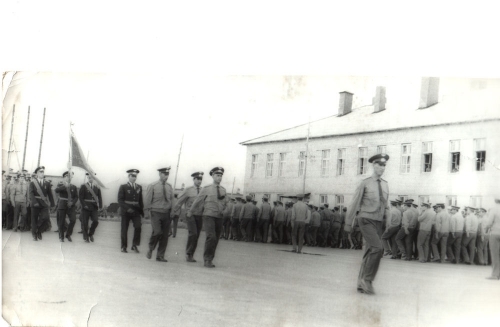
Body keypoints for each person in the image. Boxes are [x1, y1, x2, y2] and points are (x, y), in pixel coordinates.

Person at [344, 153, 390, 295]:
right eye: (379, 165)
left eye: (384, 165)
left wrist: (388, 220)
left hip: (378, 221)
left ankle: (360, 282)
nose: (382, 168)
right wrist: (348, 223)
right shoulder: (365, 183)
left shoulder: (385, 184)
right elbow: (354, 203)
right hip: (365, 219)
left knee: (370, 250)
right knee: (378, 248)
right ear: (373, 165)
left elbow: (386, 205)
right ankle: (367, 280)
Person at [187, 167, 229, 268]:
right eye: (217, 175)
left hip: (219, 217)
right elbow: (197, 201)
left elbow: (226, 203)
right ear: (213, 176)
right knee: (211, 237)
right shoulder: (206, 188)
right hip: (208, 216)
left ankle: (210, 258)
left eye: (221, 176)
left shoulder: (223, 190)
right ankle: (207, 259)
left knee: (216, 238)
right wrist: (190, 211)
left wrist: (226, 211)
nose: (219, 178)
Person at [173, 171, 204, 262]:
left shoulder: (203, 190)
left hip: (199, 215)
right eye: (197, 179)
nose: (199, 181)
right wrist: (174, 211)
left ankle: (191, 254)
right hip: (190, 214)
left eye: (201, 179)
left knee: (197, 235)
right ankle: (188, 253)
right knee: (193, 233)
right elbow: (180, 201)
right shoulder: (188, 190)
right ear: (193, 179)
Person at [145, 167, 173, 262]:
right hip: (155, 212)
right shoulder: (153, 185)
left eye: (167, 174)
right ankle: (150, 248)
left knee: (165, 235)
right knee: (157, 232)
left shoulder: (169, 186)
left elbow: (172, 200)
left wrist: (172, 212)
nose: (166, 176)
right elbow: (148, 199)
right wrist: (146, 212)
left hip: (166, 213)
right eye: (164, 174)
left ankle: (160, 256)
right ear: (160, 174)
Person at [118, 169, 144, 253]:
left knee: (138, 227)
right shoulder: (123, 187)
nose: (134, 178)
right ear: (128, 176)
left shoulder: (139, 187)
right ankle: (123, 246)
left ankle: (135, 245)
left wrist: (142, 211)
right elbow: (120, 200)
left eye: (135, 176)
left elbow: (140, 200)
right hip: (126, 211)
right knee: (124, 229)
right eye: (132, 176)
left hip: (136, 211)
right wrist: (127, 208)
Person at [29, 166, 55, 241]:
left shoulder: (47, 183)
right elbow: (30, 194)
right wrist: (34, 202)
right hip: (35, 203)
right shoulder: (32, 183)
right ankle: (34, 235)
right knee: (34, 219)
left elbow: (50, 195)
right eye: (40, 171)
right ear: (37, 173)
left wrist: (52, 204)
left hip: (44, 204)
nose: (42, 173)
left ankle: (39, 230)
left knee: (46, 217)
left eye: (43, 171)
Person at [54, 171, 78, 242]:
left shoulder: (74, 186)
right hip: (62, 204)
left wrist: (72, 202)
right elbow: (56, 190)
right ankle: (61, 236)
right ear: (64, 177)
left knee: (73, 220)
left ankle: (68, 234)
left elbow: (76, 197)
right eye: (67, 176)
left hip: (70, 205)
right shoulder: (60, 184)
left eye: (70, 176)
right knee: (61, 222)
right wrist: (65, 186)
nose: (69, 178)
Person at [79, 172, 103, 243]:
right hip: (86, 207)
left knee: (96, 221)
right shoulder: (83, 186)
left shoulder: (97, 187)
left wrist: (100, 206)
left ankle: (91, 233)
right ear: (87, 178)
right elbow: (81, 197)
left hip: (94, 207)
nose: (90, 179)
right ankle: (86, 237)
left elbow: (100, 197)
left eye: (92, 177)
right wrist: (84, 205)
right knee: (85, 223)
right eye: (89, 177)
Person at [483, 197, 500, 280]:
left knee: (495, 254)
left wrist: (485, 230)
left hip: (495, 233)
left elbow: (489, 222)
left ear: (495, 201)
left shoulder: (494, 209)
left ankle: (495, 274)